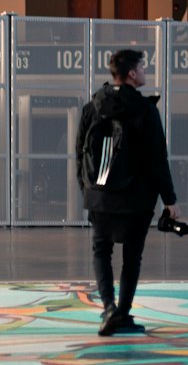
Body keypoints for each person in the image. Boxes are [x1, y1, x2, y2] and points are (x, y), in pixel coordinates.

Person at [76, 47, 178, 336]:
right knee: (132, 257)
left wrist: (86, 188)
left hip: (99, 194)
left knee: (101, 250)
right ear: (132, 74)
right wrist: (170, 201)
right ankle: (123, 314)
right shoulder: (146, 110)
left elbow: (79, 151)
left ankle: (109, 309)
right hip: (136, 199)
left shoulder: (93, 106)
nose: (145, 72)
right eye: (143, 68)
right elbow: (158, 158)